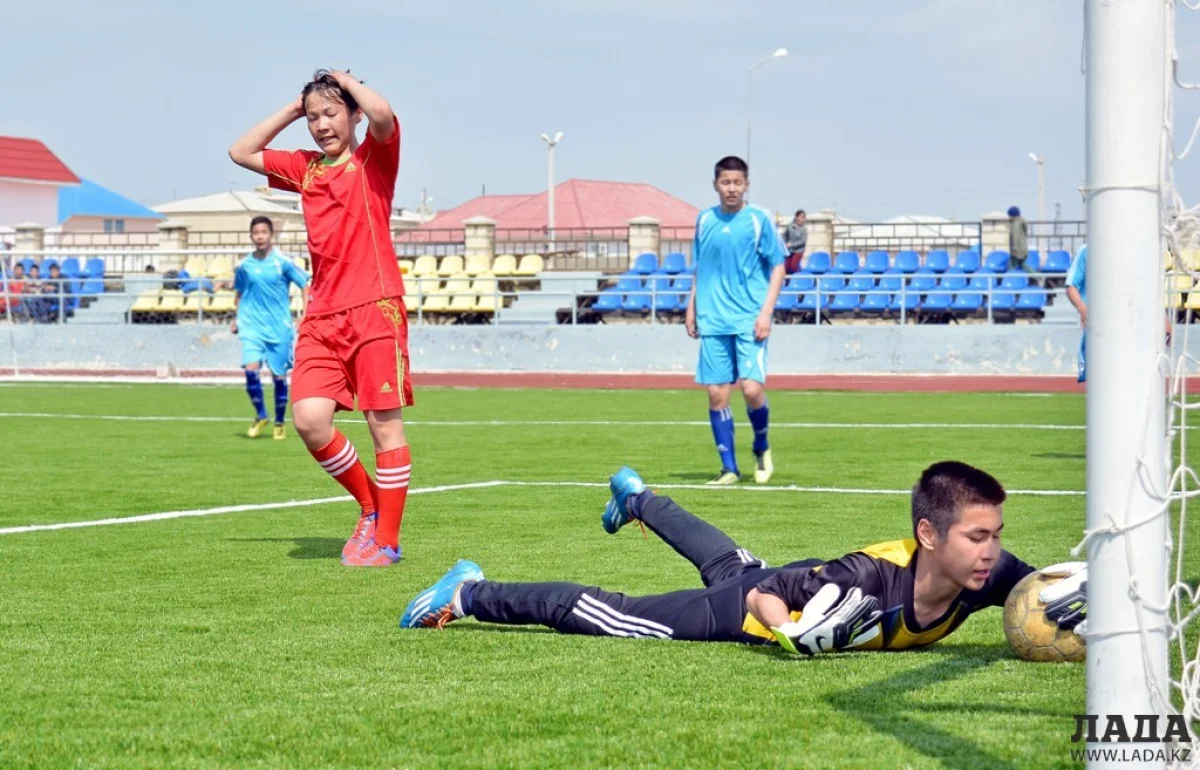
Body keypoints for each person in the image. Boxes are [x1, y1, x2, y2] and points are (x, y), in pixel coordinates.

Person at [401, 463, 1088, 655]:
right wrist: (786, 631)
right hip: (746, 611)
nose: (991, 551)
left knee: (725, 554)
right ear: (929, 536)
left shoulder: (989, 574)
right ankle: (468, 592)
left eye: (996, 533)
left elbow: (1047, 593)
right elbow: (771, 596)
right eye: (977, 536)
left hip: (771, 582)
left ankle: (638, 498)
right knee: (607, 614)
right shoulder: (869, 576)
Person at [229, 69, 412, 567]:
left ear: (350, 113)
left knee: (383, 427)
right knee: (309, 420)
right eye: (313, 118)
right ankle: (370, 506)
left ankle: (388, 541)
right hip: (322, 317)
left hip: (375, 309)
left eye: (331, 113)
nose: (321, 124)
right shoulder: (306, 169)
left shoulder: (374, 156)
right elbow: (241, 151)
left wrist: (346, 82)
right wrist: (296, 106)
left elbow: (380, 113)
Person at [685, 156, 787, 486]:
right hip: (713, 319)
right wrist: (691, 307)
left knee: (752, 389)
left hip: (749, 318)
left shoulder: (758, 220)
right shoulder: (704, 221)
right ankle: (729, 468)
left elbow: (778, 267)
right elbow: (700, 268)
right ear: (716, 184)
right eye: (725, 182)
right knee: (717, 395)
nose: (731, 188)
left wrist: (765, 313)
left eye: (737, 182)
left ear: (746, 185)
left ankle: (761, 446)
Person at [232, 216, 309, 440]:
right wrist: (237, 318)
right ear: (251, 236)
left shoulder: (282, 262)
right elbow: (239, 292)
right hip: (252, 326)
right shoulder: (245, 265)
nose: (260, 236)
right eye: (256, 232)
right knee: (250, 370)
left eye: (263, 232)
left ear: (270, 234)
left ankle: (279, 421)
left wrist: (304, 315)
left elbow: (305, 283)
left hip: (278, 327)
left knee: (278, 376)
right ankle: (261, 415)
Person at [1065, 243, 1088, 383]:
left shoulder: (1130, 249)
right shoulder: (1087, 251)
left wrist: (1163, 319)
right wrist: (1083, 309)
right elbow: (1071, 286)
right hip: (1096, 330)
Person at [1007, 206, 1032, 273]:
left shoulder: (1016, 224)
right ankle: (1037, 276)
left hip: (1018, 249)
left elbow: (1015, 236)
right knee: (1022, 265)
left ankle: (1010, 280)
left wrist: (1015, 249)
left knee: (1011, 266)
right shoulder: (1021, 221)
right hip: (1023, 248)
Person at [783, 209, 807, 274]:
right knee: (786, 267)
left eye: (804, 218)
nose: (803, 219)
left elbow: (803, 241)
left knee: (793, 266)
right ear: (796, 217)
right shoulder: (790, 226)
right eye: (801, 217)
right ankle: (788, 282)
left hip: (799, 251)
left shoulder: (803, 229)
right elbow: (785, 236)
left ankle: (798, 278)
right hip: (789, 250)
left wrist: (792, 244)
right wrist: (785, 244)